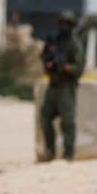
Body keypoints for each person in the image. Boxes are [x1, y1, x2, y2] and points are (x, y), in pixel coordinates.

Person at [39, 10, 84, 161]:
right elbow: (45, 58)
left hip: (66, 86)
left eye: (67, 24)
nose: (64, 26)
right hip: (53, 85)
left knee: (68, 122)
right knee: (45, 118)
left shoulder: (75, 44)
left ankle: (68, 154)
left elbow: (79, 68)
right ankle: (50, 151)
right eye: (62, 23)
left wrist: (65, 66)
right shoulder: (54, 41)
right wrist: (50, 63)